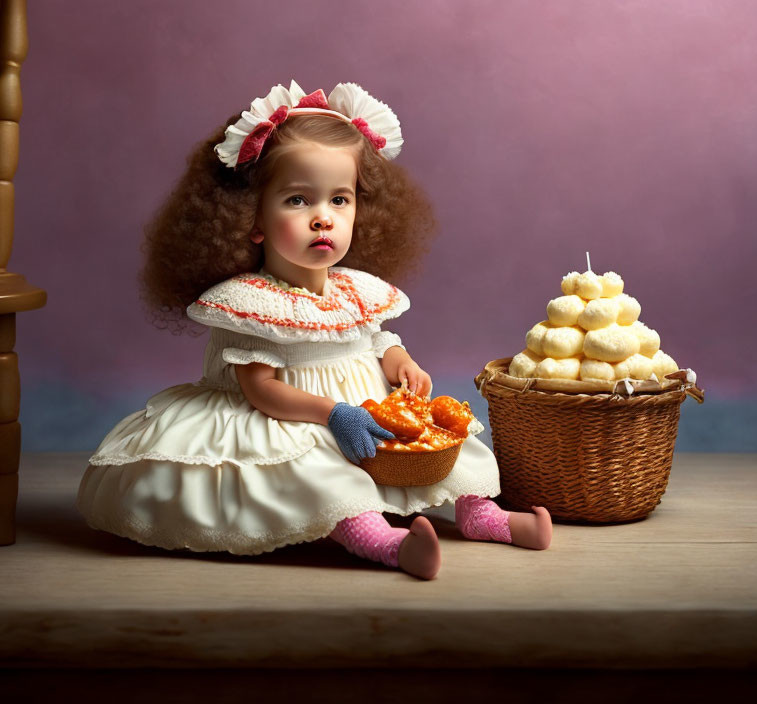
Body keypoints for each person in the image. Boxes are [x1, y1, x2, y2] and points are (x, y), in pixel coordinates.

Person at [77, 81, 552, 580]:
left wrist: (399, 362)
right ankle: (383, 545)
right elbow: (261, 391)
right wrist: (332, 415)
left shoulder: (355, 290)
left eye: (340, 200)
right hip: (291, 419)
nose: (323, 218)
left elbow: (374, 339)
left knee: (458, 446)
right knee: (318, 474)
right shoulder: (249, 305)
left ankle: (483, 516)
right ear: (253, 218)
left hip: (364, 414)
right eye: (299, 200)